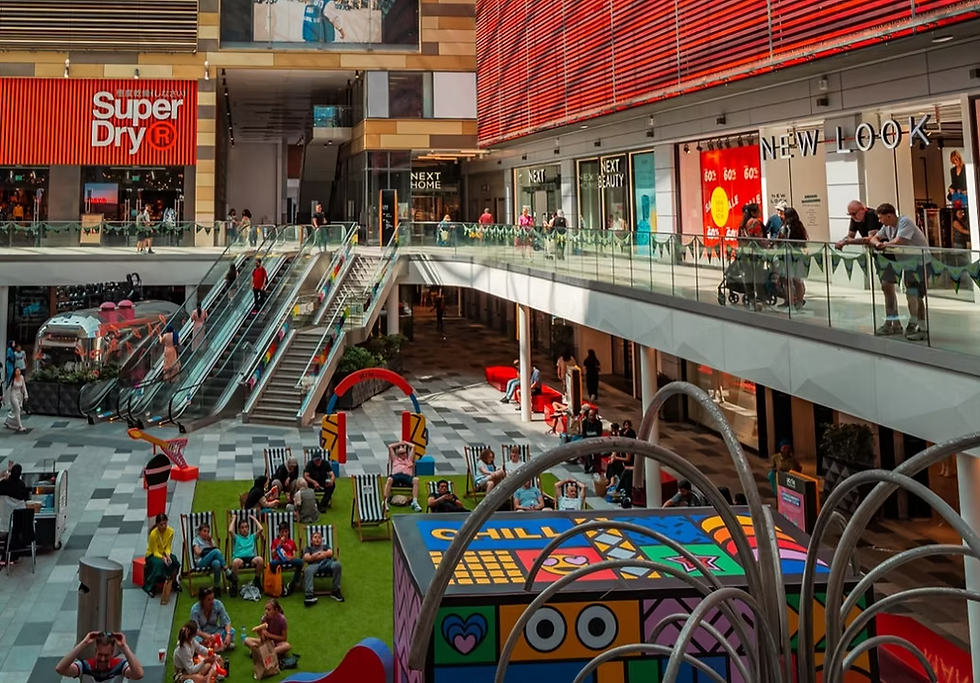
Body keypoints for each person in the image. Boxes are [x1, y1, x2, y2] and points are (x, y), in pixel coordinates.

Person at [870, 203, 930, 341]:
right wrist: (877, 243)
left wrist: (884, 244)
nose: (879, 221)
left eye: (881, 218)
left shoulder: (905, 222)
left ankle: (922, 327)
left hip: (919, 263)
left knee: (916, 295)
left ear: (889, 215)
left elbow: (900, 240)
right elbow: (875, 237)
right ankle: (915, 323)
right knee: (910, 294)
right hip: (908, 264)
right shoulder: (887, 227)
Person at [56, 631, 144, 681]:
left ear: (112, 652)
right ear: (95, 651)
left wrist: (124, 647)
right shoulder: (86, 666)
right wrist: (84, 643)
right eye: (100, 654)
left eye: (106, 655)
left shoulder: (119, 665)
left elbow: (138, 674)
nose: (102, 659)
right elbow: (60, 669)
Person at [302, 528, 344, 606]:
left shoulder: (325, 546)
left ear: (322, 540)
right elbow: (306, 557)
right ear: (311, 541)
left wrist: (315, 556)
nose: (317, 539)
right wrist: (320, 555)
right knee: (308, 570)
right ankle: (309, 595)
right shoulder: (309, 548)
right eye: (315, 537)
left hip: (326, 563)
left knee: (337, 564)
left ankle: (336, 590)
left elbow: (330, 553)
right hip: (314, 565)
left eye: (319, 537)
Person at [144, 513, 181, 598]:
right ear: (157, 525)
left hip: (164, 553)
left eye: (165, 523)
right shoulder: (153, 534)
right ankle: (151, 587)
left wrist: (167, 555)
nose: (164, 526)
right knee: (159, 564)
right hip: (153, 555)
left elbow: (168, 546)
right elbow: (154, 551)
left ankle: (174, 582)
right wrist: (162, 558)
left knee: (174, 560)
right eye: (161, 524)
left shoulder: (170, 531)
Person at [779, 207, 810, 309]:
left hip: (788, 256)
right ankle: (798, 302)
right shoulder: (799, 227)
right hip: (796, 256)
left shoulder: (785, 228)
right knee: (796, 280)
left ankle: (792, 301)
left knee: (789, 280)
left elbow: (780, 240)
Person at [228, 513, 264, 596]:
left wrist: (254, 519)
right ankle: (234, 584)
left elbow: (261, 529)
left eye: (246, 527)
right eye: (242, 527)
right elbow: (230, 530)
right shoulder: (237, 537)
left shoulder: (252, 537)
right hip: (240, 558)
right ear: (239, 529)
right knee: (235, 562)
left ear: (248, 528)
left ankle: (257, 579)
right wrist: (234, 519)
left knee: (260, 560)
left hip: (251, 557)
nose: (244, 529)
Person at [190, 587, 234, 652]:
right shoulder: (195, 610)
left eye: (213, 598)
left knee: (232, 631)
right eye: (209, 600)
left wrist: (228, 634)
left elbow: (226, 621)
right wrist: (206, 636)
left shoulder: (218, 604)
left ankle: (210, 647)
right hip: (201, 634)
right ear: (202, 600)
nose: (212, 602)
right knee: (194, 638)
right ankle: (219, 646)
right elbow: (196, 629)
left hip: (215, 631)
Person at [384, 441, 423, 512]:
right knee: (389, 479)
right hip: (397, 476)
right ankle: (385, 501)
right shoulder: (395, 460)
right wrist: (399, 444)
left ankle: (414, 502)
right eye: (401, 454)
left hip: (407, 477)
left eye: (404, 453)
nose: (403, 455)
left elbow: (413, 447)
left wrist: (405, 442)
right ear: (398, 454)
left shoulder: (409, 460)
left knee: (416, 480)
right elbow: (390, 446)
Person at [191, 521, 227, 597]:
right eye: (204, 531)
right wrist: (209, 552)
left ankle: (216, 586)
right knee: (216, 551)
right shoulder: (196, 540)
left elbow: (213, 550)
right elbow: (197, 552)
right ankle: (226, 570)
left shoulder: (210, 540)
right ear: (200, 532)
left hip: (211, 561)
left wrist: (210, 542)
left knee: (217, 563)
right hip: (201, 562)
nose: (206, 533)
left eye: (208, 531)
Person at [271, 521, 304, 597]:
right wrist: (279, 544)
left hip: (289, 560)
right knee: (272, 564)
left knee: (300, 562)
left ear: (288, 532)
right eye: (282, 532)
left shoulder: (291, 542)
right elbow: (273, 555)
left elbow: (294, 555)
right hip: (279, 560)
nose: (284, 534)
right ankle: (279, 585)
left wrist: (290, 557)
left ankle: (292, 584)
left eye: (286, 532)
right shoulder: (275, 541)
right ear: (279, 533)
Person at [4, 367, 28, 432]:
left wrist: (25, 395)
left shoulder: (22, 378)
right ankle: (20, 426)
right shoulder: (12, 379)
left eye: (19, 371)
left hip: (19, 395)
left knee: (16, 411)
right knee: (17, 409)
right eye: (17, 371)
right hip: (13, 395)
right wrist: (5, 398)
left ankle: (9, 421)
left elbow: (24, 387)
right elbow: (8, 389)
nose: (18, 372)